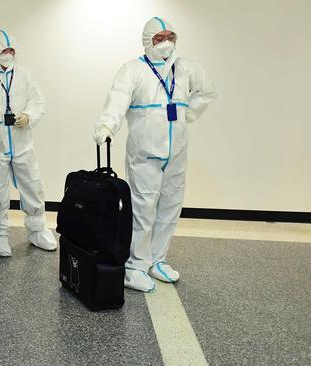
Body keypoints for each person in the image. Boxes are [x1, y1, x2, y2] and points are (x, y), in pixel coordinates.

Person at [94, 17, 216, 292]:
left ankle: (157, 259)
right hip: (145, 152)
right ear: (148, 40)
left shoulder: (185, 68)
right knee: (143, 209)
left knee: (170, 206)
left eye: (170, 36)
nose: (166, 43)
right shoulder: (133, 70)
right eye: (159, 38)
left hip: (177, 151)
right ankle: (135, 265)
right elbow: (117, 99)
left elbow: (207, 91)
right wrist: (106, 124)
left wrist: (188, 113)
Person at [0, 30, 57, 257]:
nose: (8, 54)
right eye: (3, 51)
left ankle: (37, 229)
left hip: (22, 145)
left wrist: (29, 115)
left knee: (32, 186)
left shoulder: (25, 75)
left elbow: (38, 101)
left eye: (11, 51)